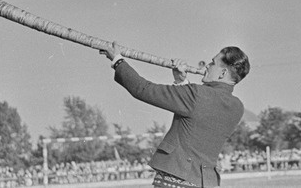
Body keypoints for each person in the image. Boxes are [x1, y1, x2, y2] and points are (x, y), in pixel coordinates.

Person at [100, 42, 249, 187]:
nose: (207, 66)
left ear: (223, 72)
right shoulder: (237, 107)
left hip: (174, 177)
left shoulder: (196, 94)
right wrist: (181, 82)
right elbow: (198, 114)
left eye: (212, 63)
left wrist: (117, 60)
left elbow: (142, 89)